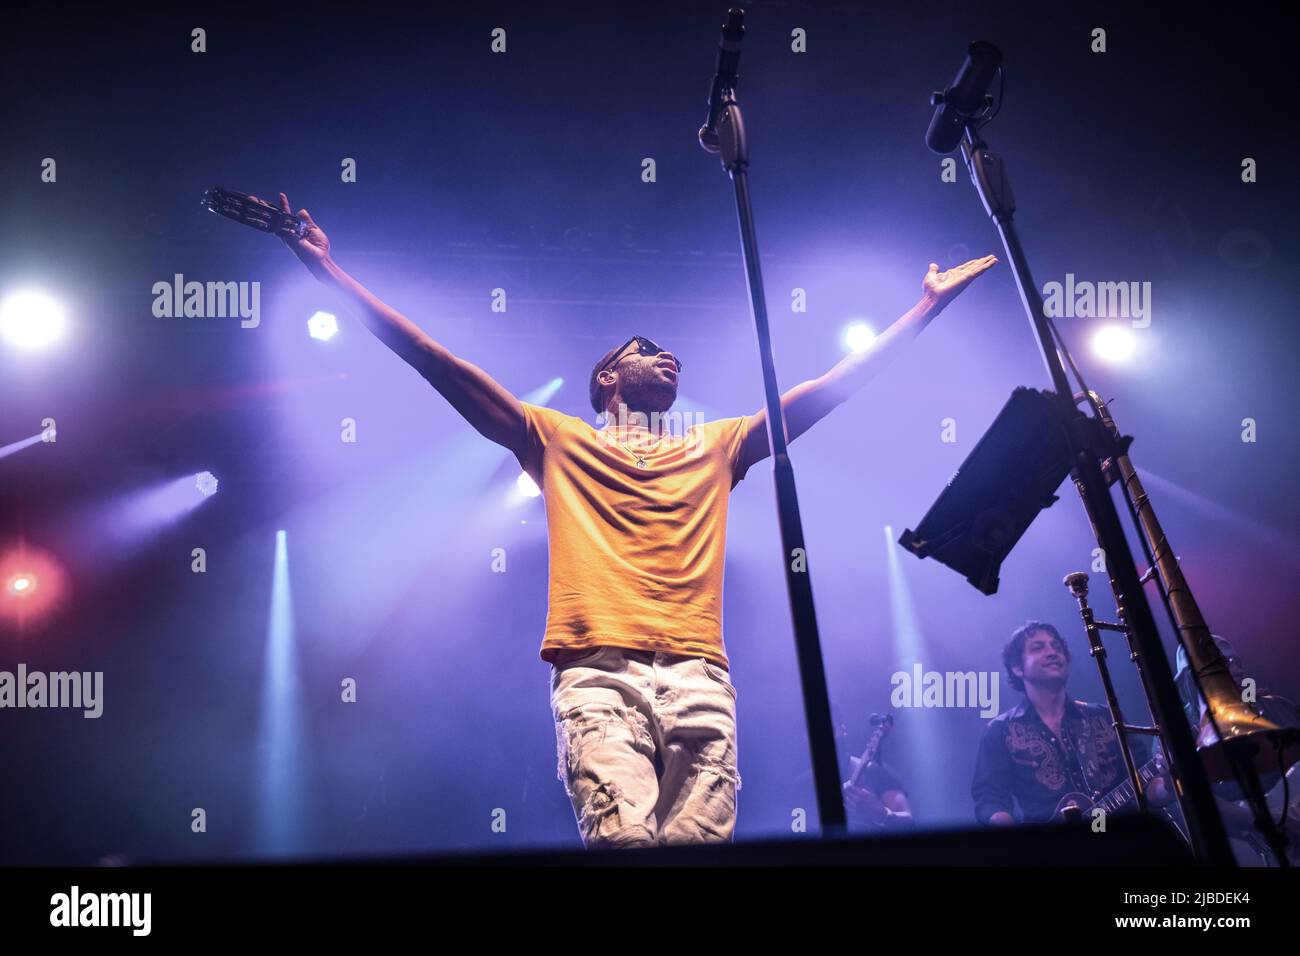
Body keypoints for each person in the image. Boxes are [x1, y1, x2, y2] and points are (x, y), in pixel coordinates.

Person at [265, 191, 996, 847]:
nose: (669, 355)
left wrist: (924, 309)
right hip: (599, 672)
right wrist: (331, 274)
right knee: (626, 847)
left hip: (702, 677)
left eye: (673, 353)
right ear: (607, 378)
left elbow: (828, 391)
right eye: (648, 350)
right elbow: (434, 359)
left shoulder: (719, 445)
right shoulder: (554, 436)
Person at [972, 621, 1171, 825]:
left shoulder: (1105, 718)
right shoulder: (1001, 731)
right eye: (1038, 648)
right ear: (1017, 668)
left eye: (1056, 647)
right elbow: (990, 800)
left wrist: (1169, 781)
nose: (1052, 652)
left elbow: (1149, 791)